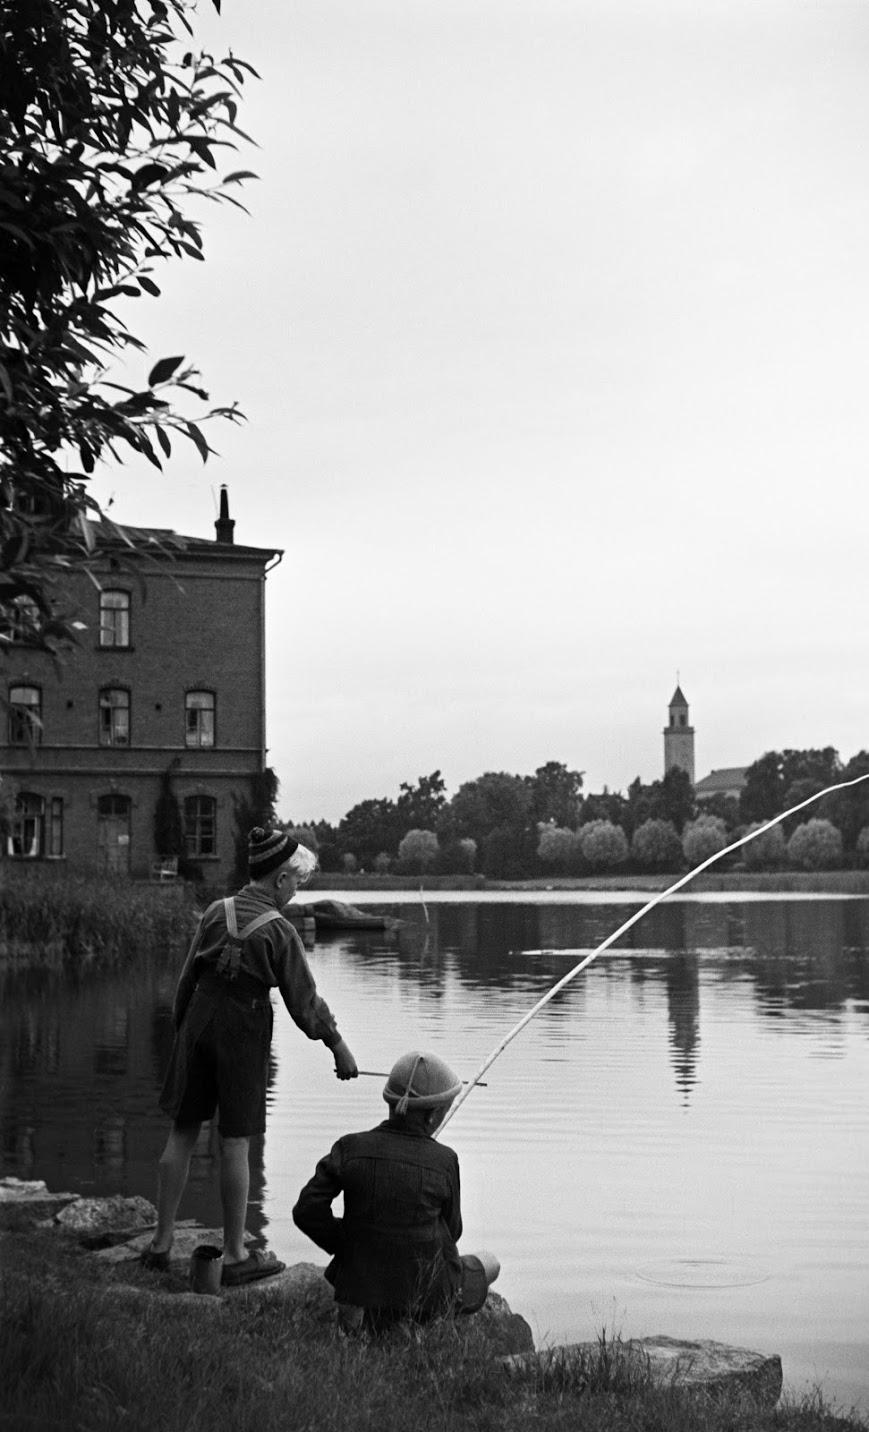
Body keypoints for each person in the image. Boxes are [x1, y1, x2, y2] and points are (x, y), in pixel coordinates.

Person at [142, 826, 358, 1286]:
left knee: (181, 1131)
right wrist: (338, 1046)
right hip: (242, 1032)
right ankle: (237, 1254)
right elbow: (306, 1005)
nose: (297, 891)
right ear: (280, 879)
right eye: (296, 882)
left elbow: (186, 980)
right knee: (235, 1141)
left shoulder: (215, 913)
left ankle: (159, 1245)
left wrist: (183, 1034)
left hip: (198, 1023)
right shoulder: (280, 931)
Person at [293, 1049, 499, 1331]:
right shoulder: (445, 1160)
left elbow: (307, 1211)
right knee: (491, 1263)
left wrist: (347, 1246)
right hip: (425, 1293)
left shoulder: (350, 1147)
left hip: (360, 1284)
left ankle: (366, 1319)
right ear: (431, 1117)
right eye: (444, 1110)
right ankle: (422, 1321)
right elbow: (453, 1232)